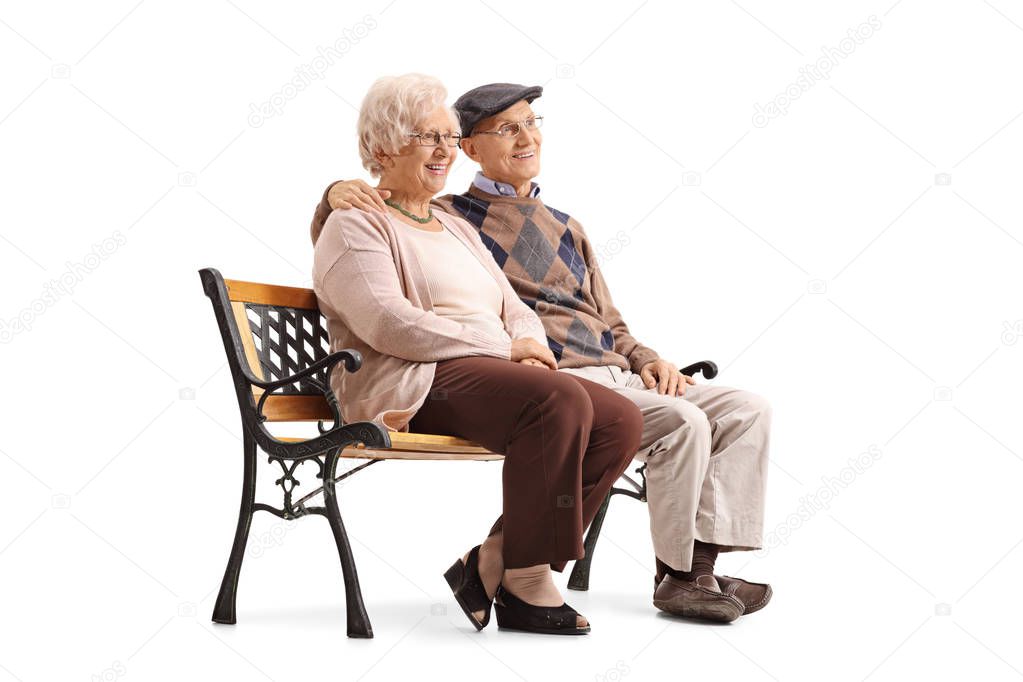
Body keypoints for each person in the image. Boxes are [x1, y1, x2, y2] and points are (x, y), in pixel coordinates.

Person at [311, 82, 774, 623]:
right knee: (640, 416)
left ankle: (520, 561)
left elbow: (566, 313)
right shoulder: (448, 211)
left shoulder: (487, 228)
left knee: (728, 409)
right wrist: (333, 191)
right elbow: (384, 310)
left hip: (566, 370)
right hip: (457, 375)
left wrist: (642, 357)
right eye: (504, 128)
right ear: (469, 150)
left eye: (532, 122)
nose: (525, 136)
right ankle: (653, 577)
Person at [311, 74, 644, 635]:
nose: (446, 150)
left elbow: (511, 303)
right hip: (414, 379)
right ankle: (528, 578)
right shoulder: (354, 225)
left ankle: (493, 559)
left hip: (488, 370)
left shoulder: (451, 225)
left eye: (449, 136)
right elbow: (391, 325)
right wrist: (504, 347)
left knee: (619, 418)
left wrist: (531, 342)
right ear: (385, 146)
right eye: (428, 137)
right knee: (558, 399)